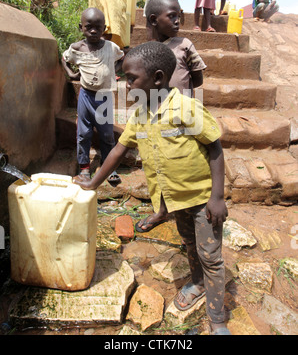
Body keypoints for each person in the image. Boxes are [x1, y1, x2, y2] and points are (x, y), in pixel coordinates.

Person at [73, 41, 230, 336]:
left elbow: (215, 147)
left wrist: (217, 197)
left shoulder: (185, 108)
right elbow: (119, 150)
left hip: (201, 199)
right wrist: (93, 183)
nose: (125, 82)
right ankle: (196, 282)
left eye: (131, 78)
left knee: (211, 256)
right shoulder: (140, 115)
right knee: (189, 245)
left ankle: (218, 317)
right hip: (173, 201)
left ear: (157, 78)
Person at [133, 0, 207, 232]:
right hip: (156, 118)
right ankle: (163, 211)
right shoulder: (147, 51)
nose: (178, 21)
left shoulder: (184, 45)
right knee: (159, 164)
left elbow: (197, 77)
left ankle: (193, 213)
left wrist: (185, 101)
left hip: (183, 117)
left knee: (185, 164)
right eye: (172, 16)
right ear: (154, 20)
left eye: (179, 16)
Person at [62, 7, 123, 183]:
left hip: (104, 97)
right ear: (81, 27)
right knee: (84, 133)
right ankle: (84, 168)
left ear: (105, 28)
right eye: (89, 27)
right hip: (86, 96)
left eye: (98, 27)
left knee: (106, 134)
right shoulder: (77, 48)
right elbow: (64, 59)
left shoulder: (111, 47)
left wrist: (113, 71)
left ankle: (108, 167)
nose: (94, 31)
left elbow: (122, 58)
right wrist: (71, 74)